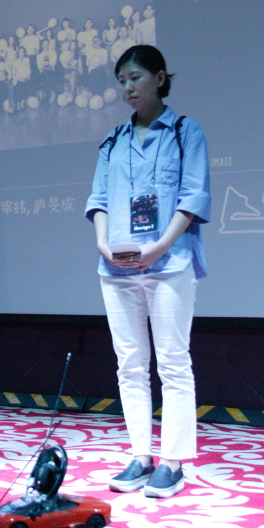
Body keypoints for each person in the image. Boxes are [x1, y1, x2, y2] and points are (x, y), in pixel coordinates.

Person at [85, 45, 210, 498]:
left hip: (169, 261)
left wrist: (160, 247)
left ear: (159, 78)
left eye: (135, 77)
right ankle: (140, 455)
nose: (127, 88)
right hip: (117, 266)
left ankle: (172, 462)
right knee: (130, 365)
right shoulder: (113, 140)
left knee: (173, 362)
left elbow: (193, 196)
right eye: (121, 81)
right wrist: (102, 244)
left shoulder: (185, 131)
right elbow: (99, 199)